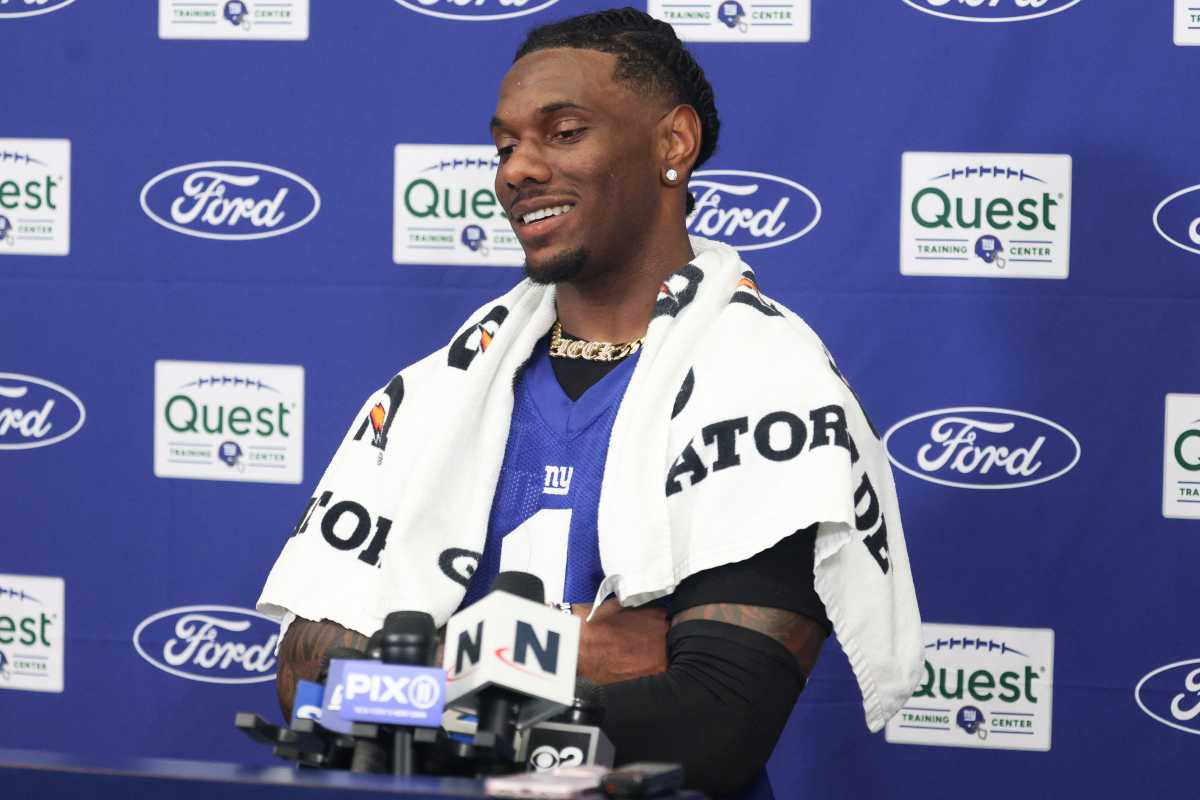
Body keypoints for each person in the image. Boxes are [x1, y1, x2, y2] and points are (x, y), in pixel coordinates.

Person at [258, 8, 921, 798]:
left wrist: (414, 679)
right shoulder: (433, 393)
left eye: (564, 133)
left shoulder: (771, 387)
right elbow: (308, 689)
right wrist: (550, 651)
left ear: (673, 144)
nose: (517, 170)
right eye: (505, 147)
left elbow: (713, 727)